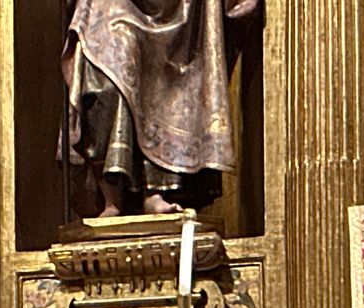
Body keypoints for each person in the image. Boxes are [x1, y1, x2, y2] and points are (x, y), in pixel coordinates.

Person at [63, 0, 261, 217]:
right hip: (111, 7)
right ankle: (112, 198)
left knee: (163, 87)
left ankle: (154, 191)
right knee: (104, 80)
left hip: (177, 10)